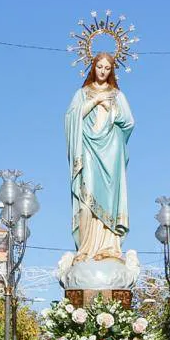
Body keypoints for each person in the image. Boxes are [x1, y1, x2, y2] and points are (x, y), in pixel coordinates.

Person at [65, 51, 134, 263]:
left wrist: (109, 108)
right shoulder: (82, 93)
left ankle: (109, 247)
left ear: (111, 70)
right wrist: (95, 101)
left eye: (107, 68)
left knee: (110, 198)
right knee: (86, 200)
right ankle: (85, 248)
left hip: (111, 151)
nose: (103, 71)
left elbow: (129, 122)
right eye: (99, 66)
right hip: (88, 148)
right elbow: (71, 118)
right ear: (93, 67)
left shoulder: (118, 95)